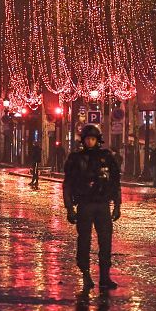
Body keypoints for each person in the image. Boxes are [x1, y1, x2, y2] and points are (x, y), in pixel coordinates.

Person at [63, 124, 121, 290]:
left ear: (98, 140)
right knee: (84, 240)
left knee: (105, 241)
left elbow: (115, 182)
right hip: (85, 204)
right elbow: (68, 184)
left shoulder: (107, 157)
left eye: (93, 139)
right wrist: (69, 208)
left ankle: (105, 276)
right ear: (83, 140)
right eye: (88, 139)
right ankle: (86, 273)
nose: (90, 142)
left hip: (102, 204)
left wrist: (117, 205)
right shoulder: (76, 158)